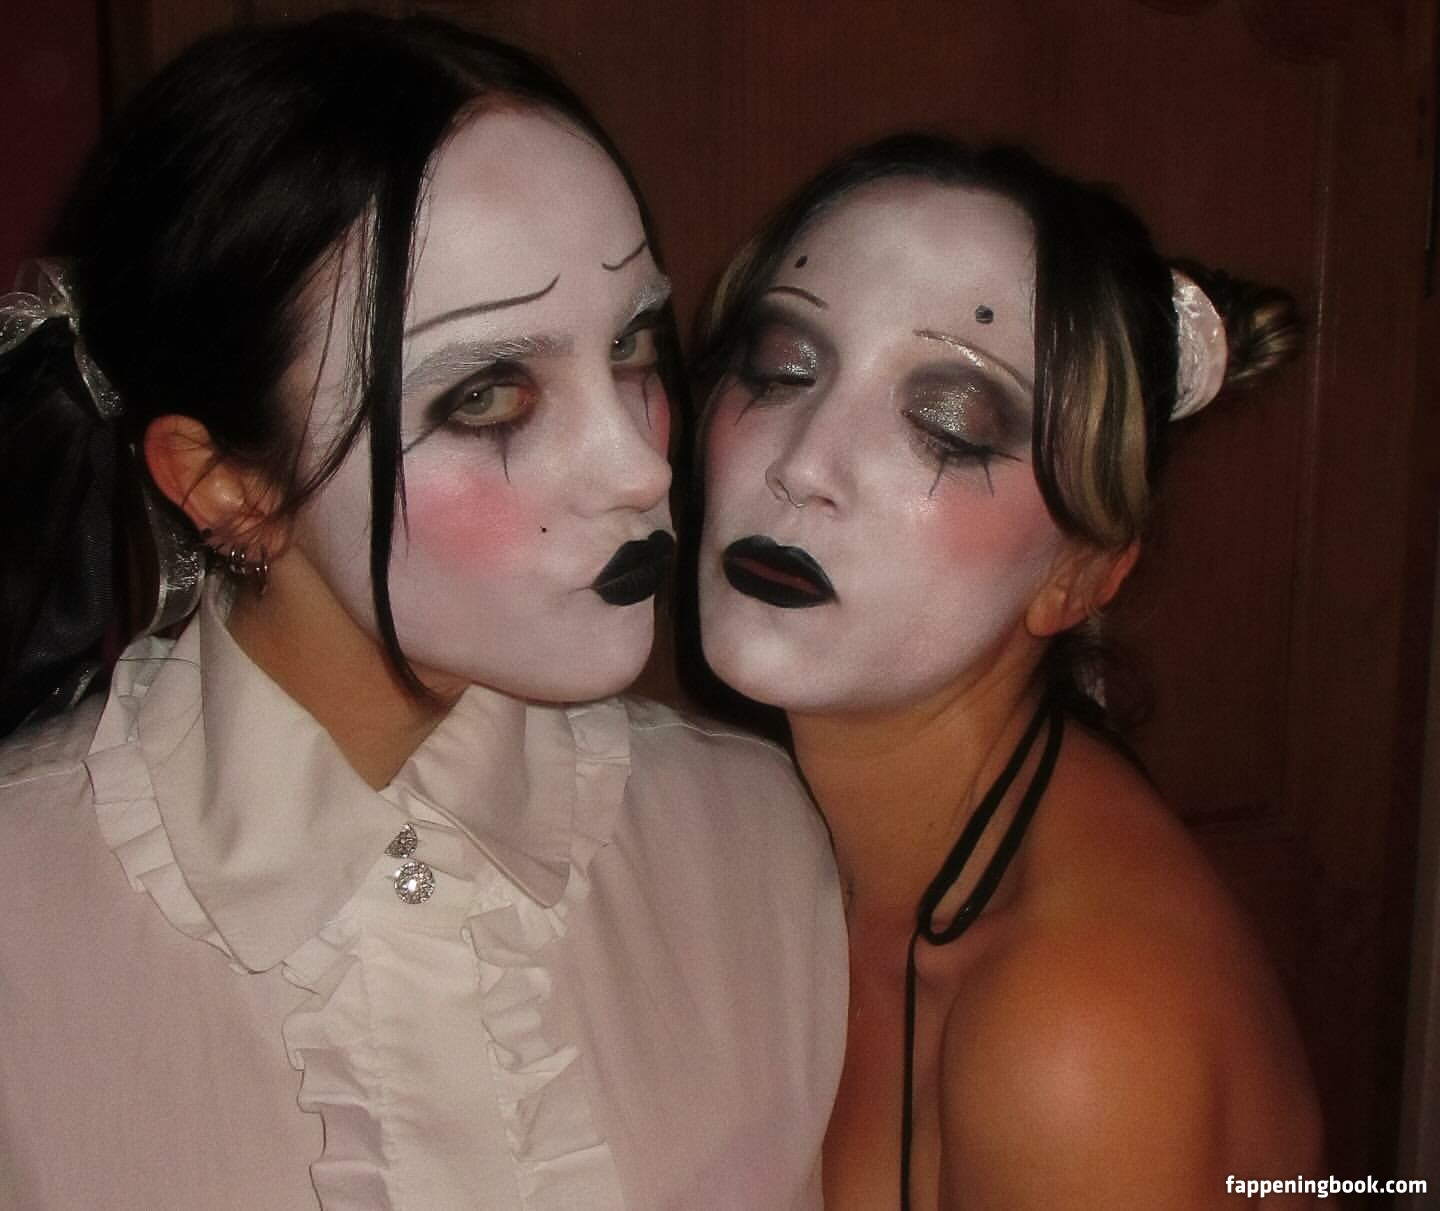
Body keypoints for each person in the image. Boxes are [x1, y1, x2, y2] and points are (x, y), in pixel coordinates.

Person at [0, 15, 846, 1209]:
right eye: (489, 396)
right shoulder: (22, 920)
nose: (640, 465)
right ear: (225, 483)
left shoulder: (754, 841)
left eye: (634, 347)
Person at [691, 134, 1321, 1210]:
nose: (802, 464)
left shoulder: (1079, 1033)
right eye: (784, 367)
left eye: (949, 425)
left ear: (1079, 574)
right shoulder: (767, 833)